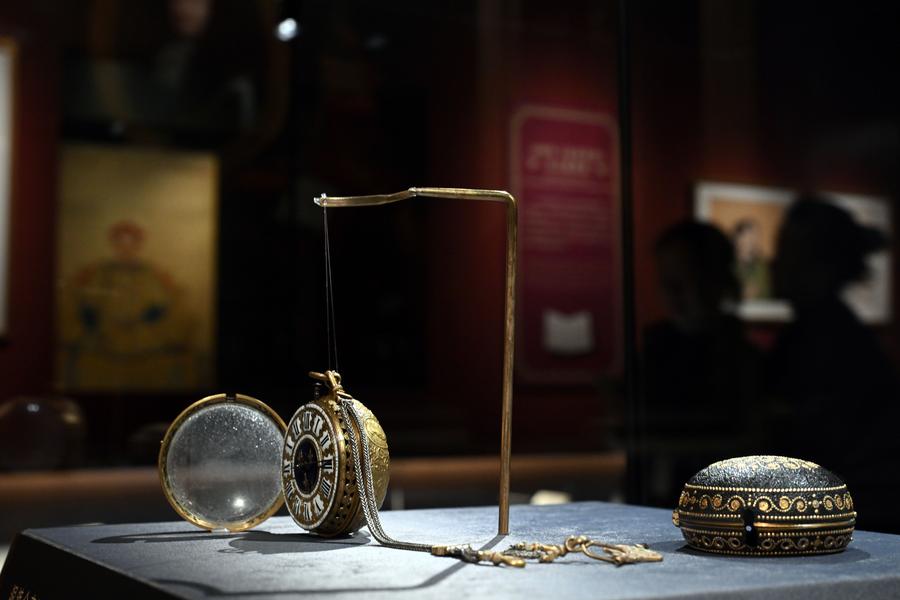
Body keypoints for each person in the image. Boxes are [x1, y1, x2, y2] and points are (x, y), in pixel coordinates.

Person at [768, 196, 899, 532]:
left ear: (820, 266)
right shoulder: (818, 334)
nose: (775, 262)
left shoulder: (830, 342)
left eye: (788, 252)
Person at [641, 221, 763, 506]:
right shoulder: (656, 347)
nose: (673, 293)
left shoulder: (736, 356)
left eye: (684, 280)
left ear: (714, 281)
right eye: (667, 281)